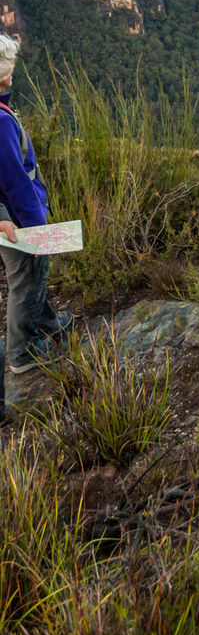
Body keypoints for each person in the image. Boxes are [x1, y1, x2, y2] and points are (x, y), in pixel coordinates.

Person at [0, 34, 71, 406]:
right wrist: (37, 223)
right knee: (27, 275)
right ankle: (22, 354)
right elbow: (13, 179)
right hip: (17, 217)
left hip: (10, 216)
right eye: (9, 64)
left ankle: (44, 322)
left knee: (33, 273)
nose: (14, 69)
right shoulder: (0, 121)